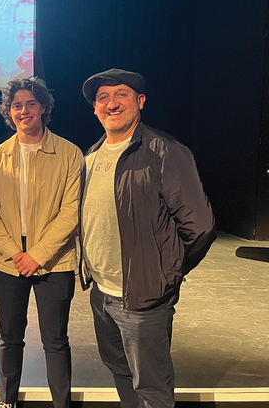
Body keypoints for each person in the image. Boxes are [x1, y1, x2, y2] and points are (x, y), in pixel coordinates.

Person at [80, 69, 216, 408]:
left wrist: (166, 273)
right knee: (121, 373)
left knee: (152, 388)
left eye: (121, 94)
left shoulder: (165, 151)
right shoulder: (90, 157)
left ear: (140, 101)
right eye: (103, 98)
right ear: (95, 109)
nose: (112, 103)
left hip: (144, 297)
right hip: (102, 294)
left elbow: (199, 225)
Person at [0, 77, 81, 408]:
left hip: (55, 262)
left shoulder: (69, 154)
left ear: (44, 107)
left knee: (55, 340)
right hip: (9, 262)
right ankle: (6, 402)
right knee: (10, 337)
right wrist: (15, 253)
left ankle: (60, 405)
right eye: (17, 105)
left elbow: (71, 213)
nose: (24, 111)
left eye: (30, 103)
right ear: (9, 112)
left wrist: (36, 255)